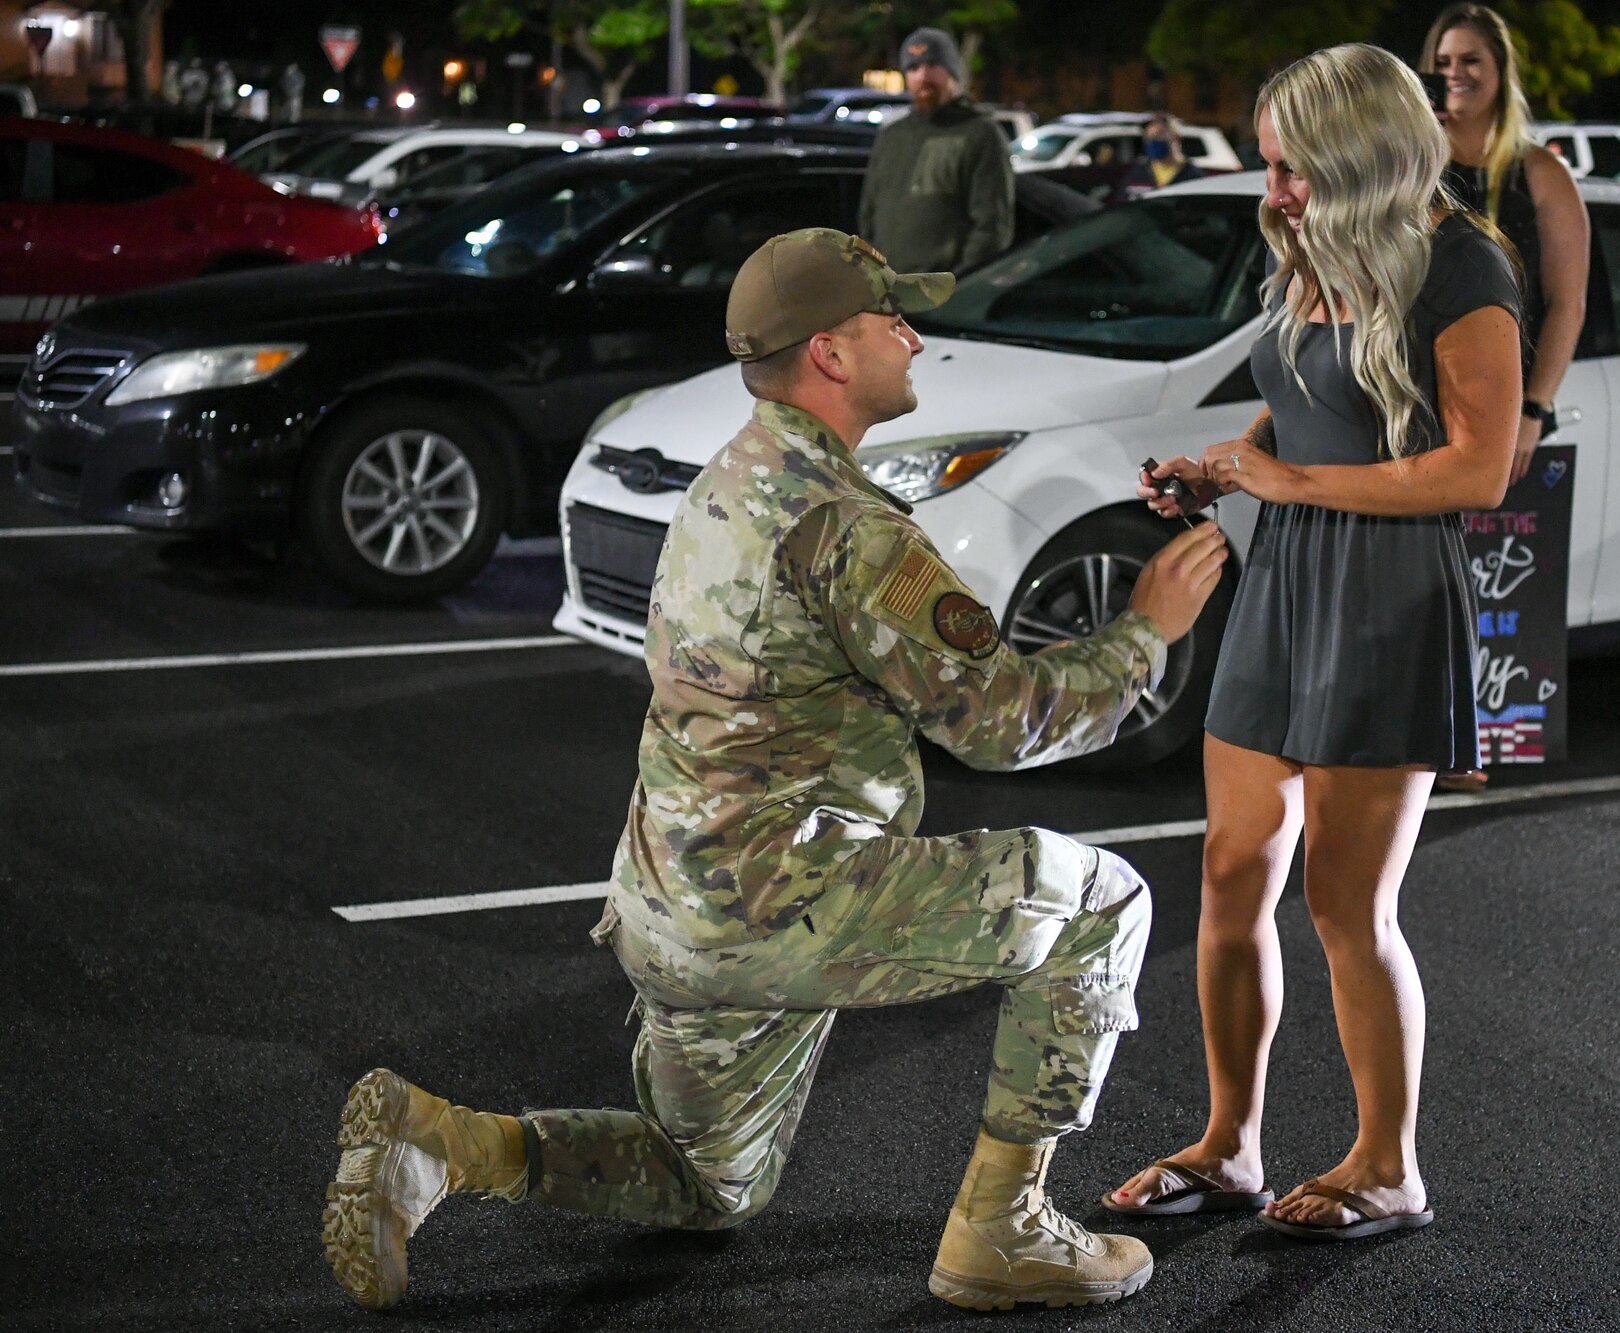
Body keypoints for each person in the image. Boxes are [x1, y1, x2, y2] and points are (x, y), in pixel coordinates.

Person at [320, 228, 1230, 1314]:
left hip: (670, 901)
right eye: (888, 317)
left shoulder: (726, 483)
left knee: (708, 1183)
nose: (912, 336)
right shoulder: (850, 527)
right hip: (782, 899)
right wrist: (1144, 633)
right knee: (1100, 903)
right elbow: (999, 724)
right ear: (829, 355)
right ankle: (1003, 1229)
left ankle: (442, 1144)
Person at [1103, 46, 1520, 1240]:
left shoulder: (1460, 264)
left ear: (1359, 159)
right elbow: (1294, 406)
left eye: (1291, 167)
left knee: (1345, 906)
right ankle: (1229, 1143)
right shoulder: (1313, 253)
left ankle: (1387, 1167)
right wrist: (1217, 467)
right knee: (1231, 878)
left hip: (1386, 593)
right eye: (1271, 165)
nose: (1271, 190)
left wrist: (1285, 475)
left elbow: (1475, 468)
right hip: (1284, 577)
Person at [1423, 2, 1590, 793]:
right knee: (1418, 569)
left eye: (1470, 62)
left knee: (1482, 576)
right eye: (1443, 60)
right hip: (1419, 394)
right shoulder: (1411, 162)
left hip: (1499, 400)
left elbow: (1569, 303)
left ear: (1501, 74)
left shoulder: (1536, 172)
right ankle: (1423, 734)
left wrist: (1535, 408)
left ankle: (1469, 739)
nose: (1454, 74)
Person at [856, 27, 1015, 275]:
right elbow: (869, 215)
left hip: (944, 301)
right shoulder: (892, 136)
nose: (923, 75)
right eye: (914, 68)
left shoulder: (980, 134)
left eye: (933, 65)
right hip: (891, 296)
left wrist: (956, 286)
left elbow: (992, 226)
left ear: (952, 72)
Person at [1120, 114, 1204, 201]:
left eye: (1158, 135)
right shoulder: (1139, 172)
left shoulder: (1192, 174)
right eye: (1148, 137)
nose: (1152, 141)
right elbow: (1123, 203)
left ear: (1175, 139)